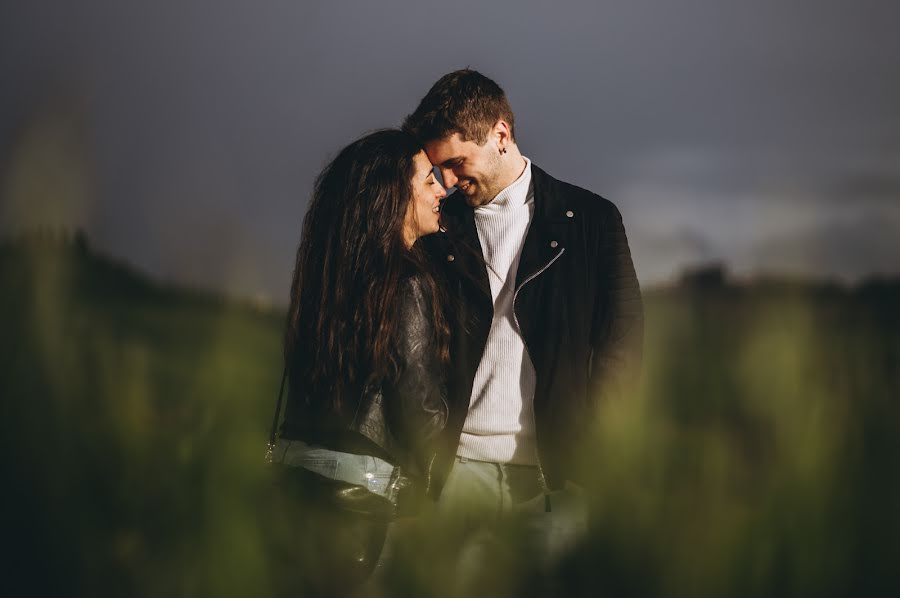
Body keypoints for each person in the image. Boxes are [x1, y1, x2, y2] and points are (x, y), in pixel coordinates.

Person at [403, 69, 644, 567]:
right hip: (454, 472)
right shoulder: (437, 230)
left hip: (556, 476)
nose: (446, 182)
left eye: (455, 163)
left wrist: (597, 457)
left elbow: (622, 346)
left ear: (500, 135)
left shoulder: (592, 220)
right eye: (438, 169)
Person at [268, 129, 449, 594]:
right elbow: (419, 413)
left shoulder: (326, 279)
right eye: (428, 180)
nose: (441, 191)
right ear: (394, 196)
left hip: (293, 493)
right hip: (361, 509)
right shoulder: (407, 283)